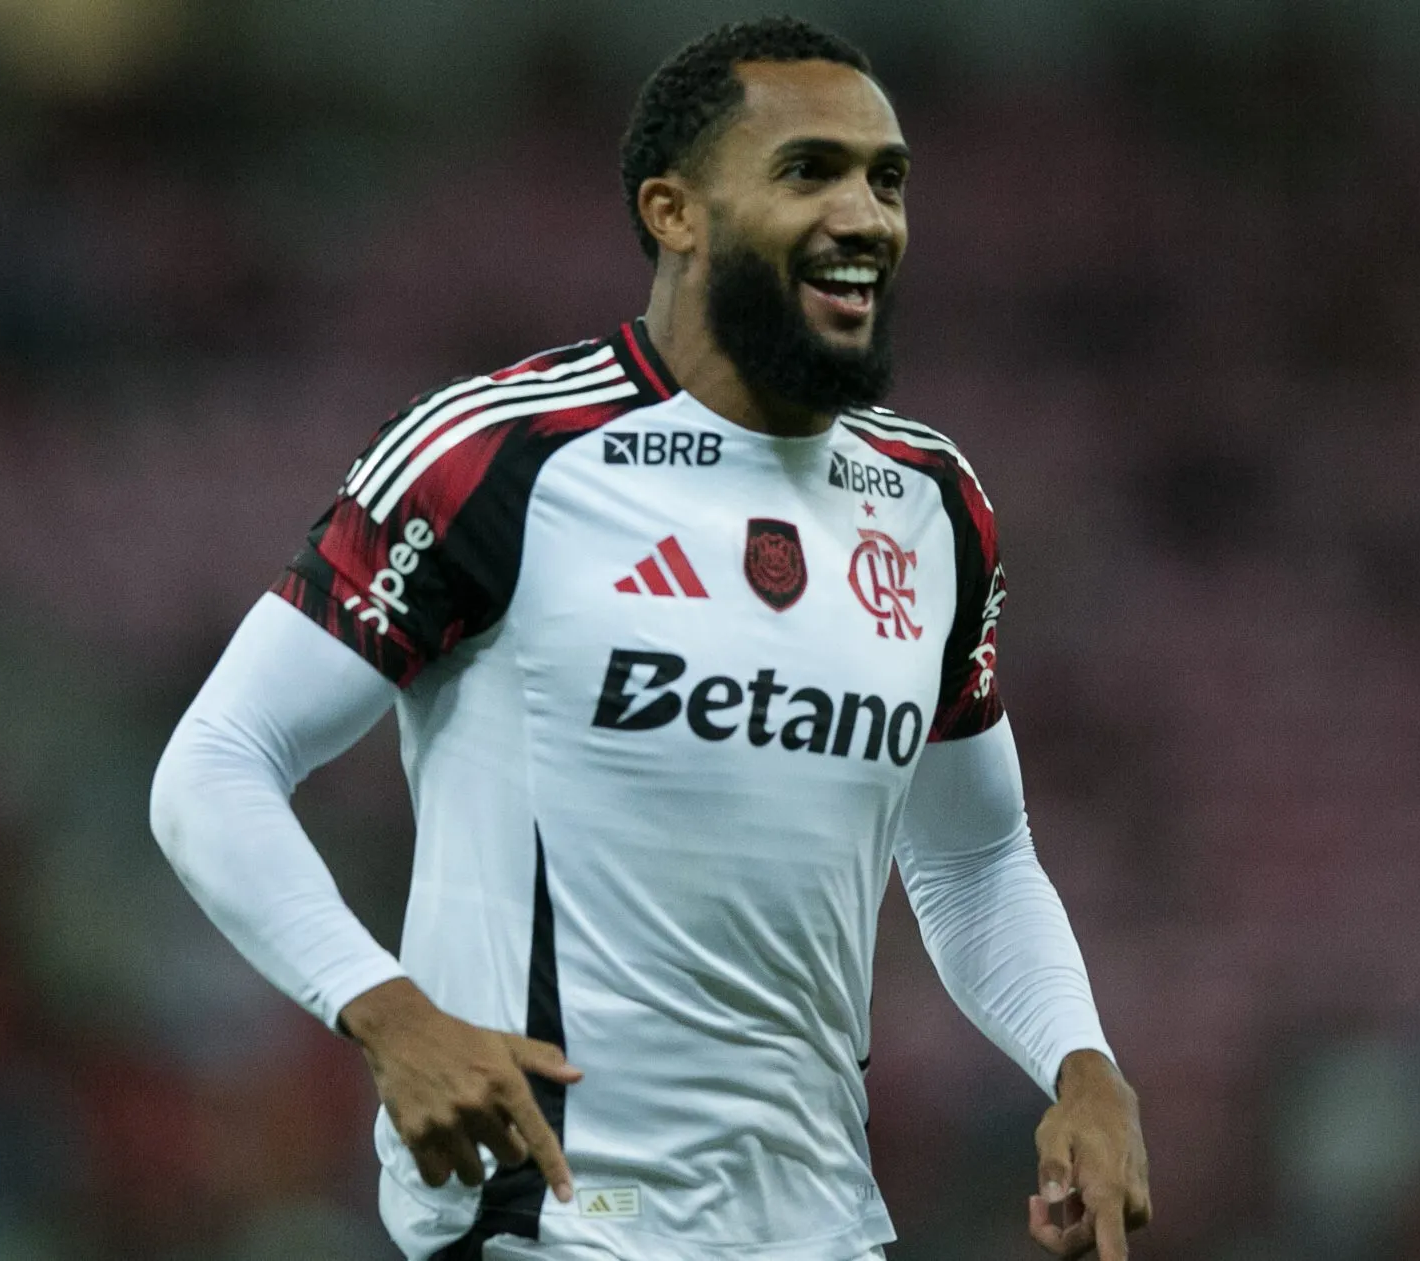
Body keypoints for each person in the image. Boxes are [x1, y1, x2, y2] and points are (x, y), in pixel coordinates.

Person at [149, 16, 1150, 1261]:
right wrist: (386, 1013)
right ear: (673, 211)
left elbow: (974, 855)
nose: (866, 218)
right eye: (809, 172)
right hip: (552, 1224)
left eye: (886, 179)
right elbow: (216, 762)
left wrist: (1081, 1066)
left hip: (823, 1229)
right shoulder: (500, 451)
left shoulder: (933, 502)